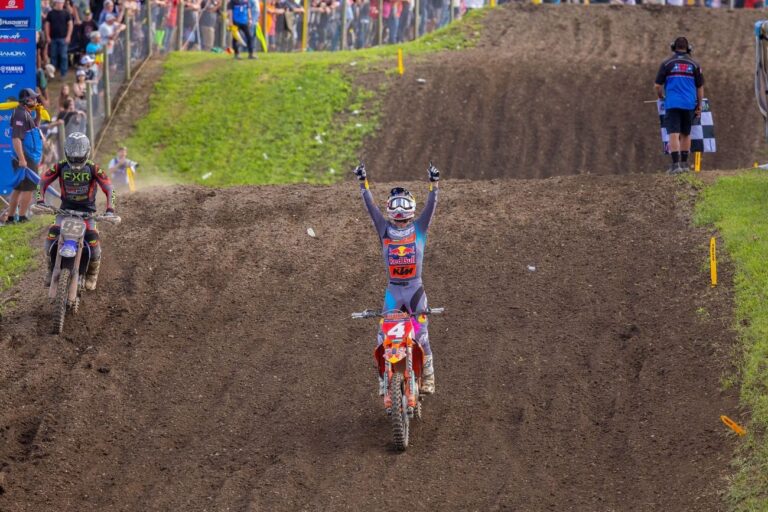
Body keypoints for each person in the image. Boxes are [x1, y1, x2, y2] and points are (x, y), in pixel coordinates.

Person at [353, 161, 440, 395]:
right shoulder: (384, 229)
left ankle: (429, 378)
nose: (400, 216)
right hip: (394, 291)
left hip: (414, 291)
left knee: (421, 335)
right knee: (383, 336)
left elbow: (431, 208)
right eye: (396, 208)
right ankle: (385, 380)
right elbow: (371, 209)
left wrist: (434, 185)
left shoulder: (419, 228)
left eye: (403, 208)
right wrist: (363, 183)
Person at [38, 133, 115, 290]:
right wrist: (40, 201)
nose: (75, 161)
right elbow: (43, 180)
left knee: (93, 240)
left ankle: (92, 274)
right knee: (52, 235)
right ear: (67, 152)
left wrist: (110, 210)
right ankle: (50, 269)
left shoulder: (93, 168)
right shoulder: (60, 166)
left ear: (86, 153)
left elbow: (109, 187)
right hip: (65, 211)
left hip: (88, 213)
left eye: (79, 158)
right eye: (73, 158)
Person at [654, 36, 704, 175]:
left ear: (673, 47)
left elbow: (658, 86)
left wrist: (661, 96)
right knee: (686, 134)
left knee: (673, 133)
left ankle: (675, 165)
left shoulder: (667, 64)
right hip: (689, 104)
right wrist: (699, 105)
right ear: (688, 48)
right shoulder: (695, 65)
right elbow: (700, 87)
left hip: (672, 103)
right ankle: (684, 164)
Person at [0, 89, 45, 225]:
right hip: (25, 157)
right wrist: (22, 159)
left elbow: (35, 127)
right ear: (26, 100)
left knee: (19, 188)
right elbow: (16, 139)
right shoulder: (20, 114)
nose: (36, 101)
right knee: (29, 188)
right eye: (33, 99)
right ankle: (22, 217)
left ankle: (12, 218)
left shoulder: (27, 113)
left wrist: (38, 114)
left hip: (29, 157)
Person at [45, 0, 74, 78]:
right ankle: (51, 73)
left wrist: (68, 36)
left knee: (63, 56)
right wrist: (47, 36)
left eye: (62, 3)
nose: (60, 4)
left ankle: (63, 73)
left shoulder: (66, 13)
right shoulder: (50, 13)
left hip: (63, 38)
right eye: (59, 3)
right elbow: (47, 25)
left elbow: (70, 25)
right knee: (53, 56)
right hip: (53, 38)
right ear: (55, 3)